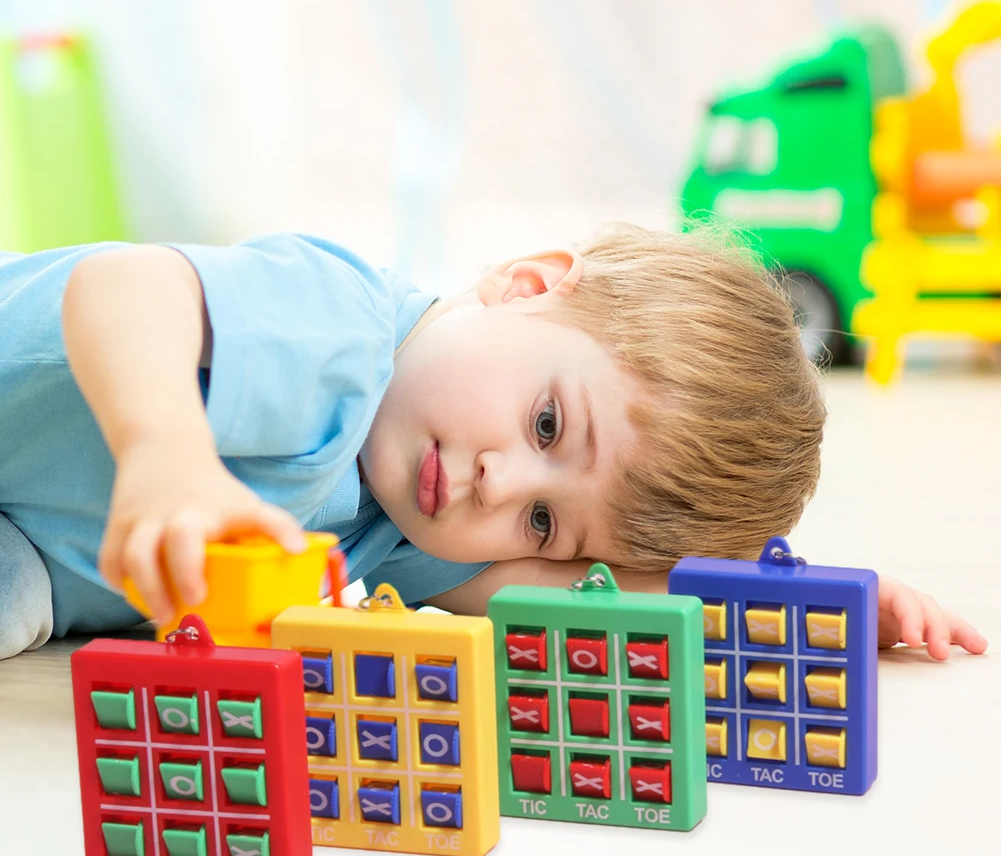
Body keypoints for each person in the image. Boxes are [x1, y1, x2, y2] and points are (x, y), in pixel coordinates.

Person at [0, 225, 986, 662]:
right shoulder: (342, 335)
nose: (498, 482)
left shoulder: (411, 541)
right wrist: (164, 449)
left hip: (31, 553)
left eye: (546, 519)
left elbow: (601, 599)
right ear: (525, 283)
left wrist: (815, 602)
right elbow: (123, 285)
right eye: (547, 422)